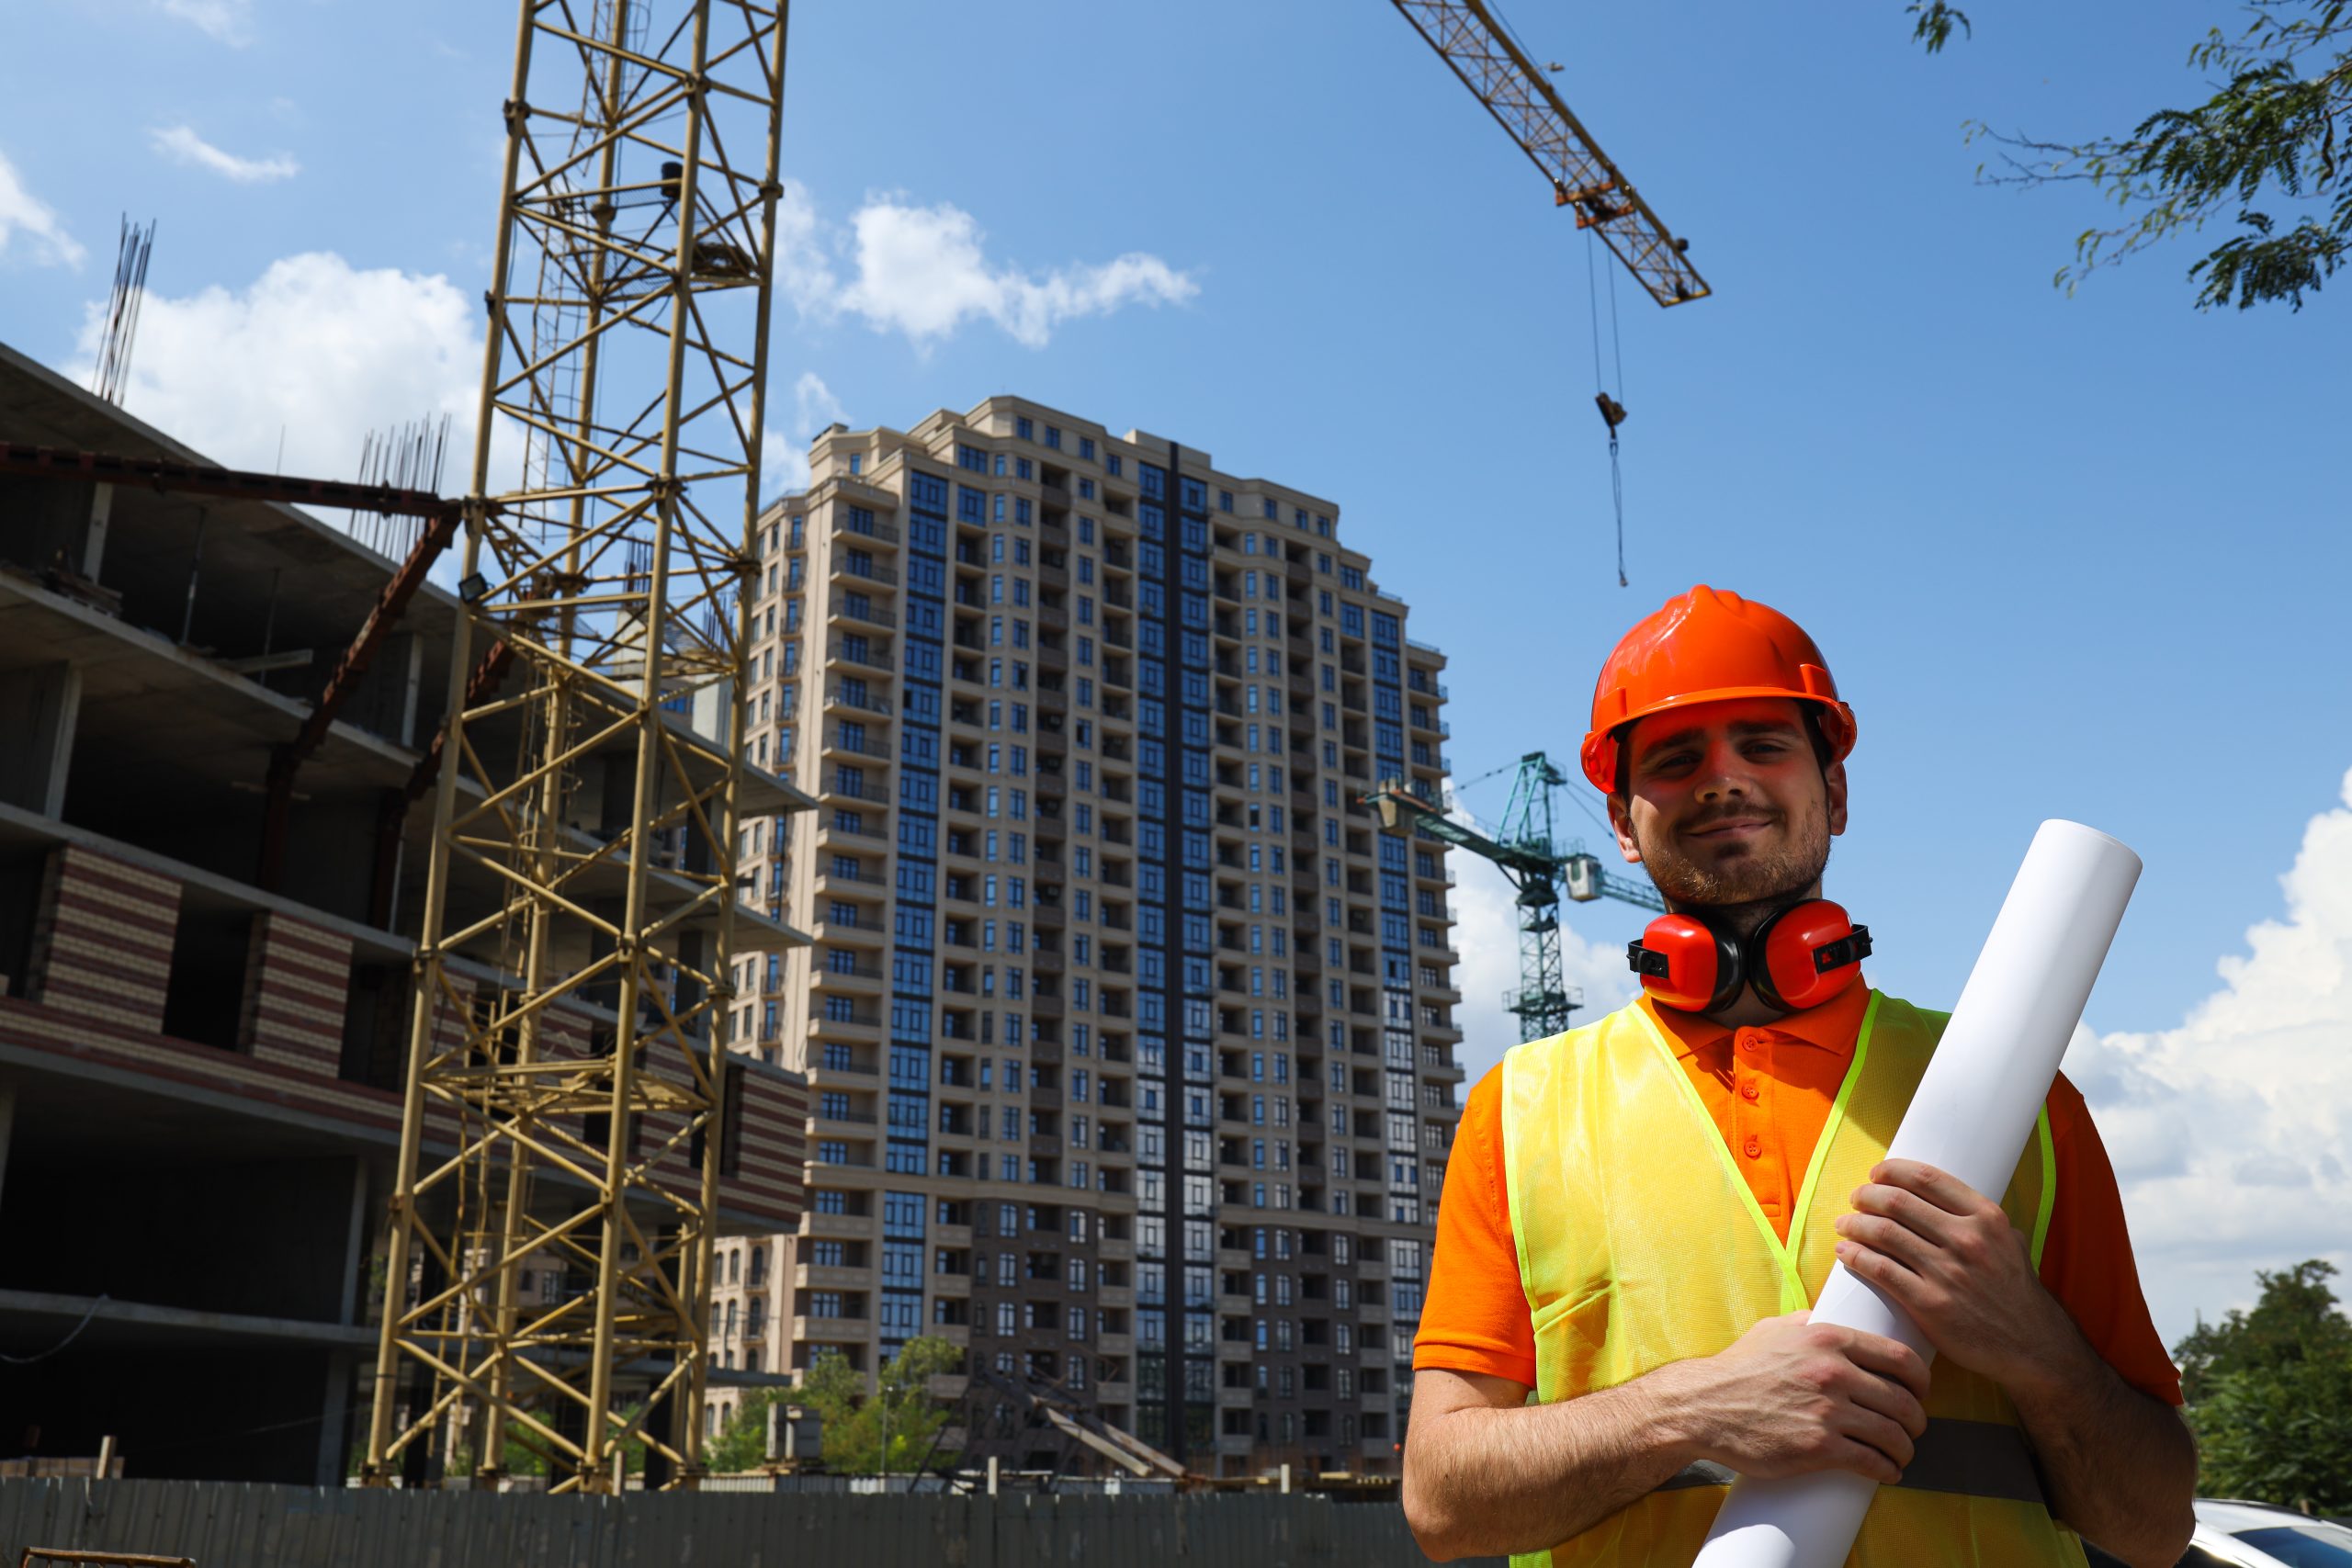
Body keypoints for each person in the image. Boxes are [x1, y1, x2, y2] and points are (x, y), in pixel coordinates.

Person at [1399, 587, 2196, 1568]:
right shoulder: (1522, 1112)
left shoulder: (2017, 1098)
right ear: (1619, 819)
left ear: (1838, 793)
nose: (1721, 779)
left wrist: (2032, 1344)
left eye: (1763, 744)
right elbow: (1442, 1504)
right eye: (1676, 758)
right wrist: (1686, 1410)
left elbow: (2154, 1529)